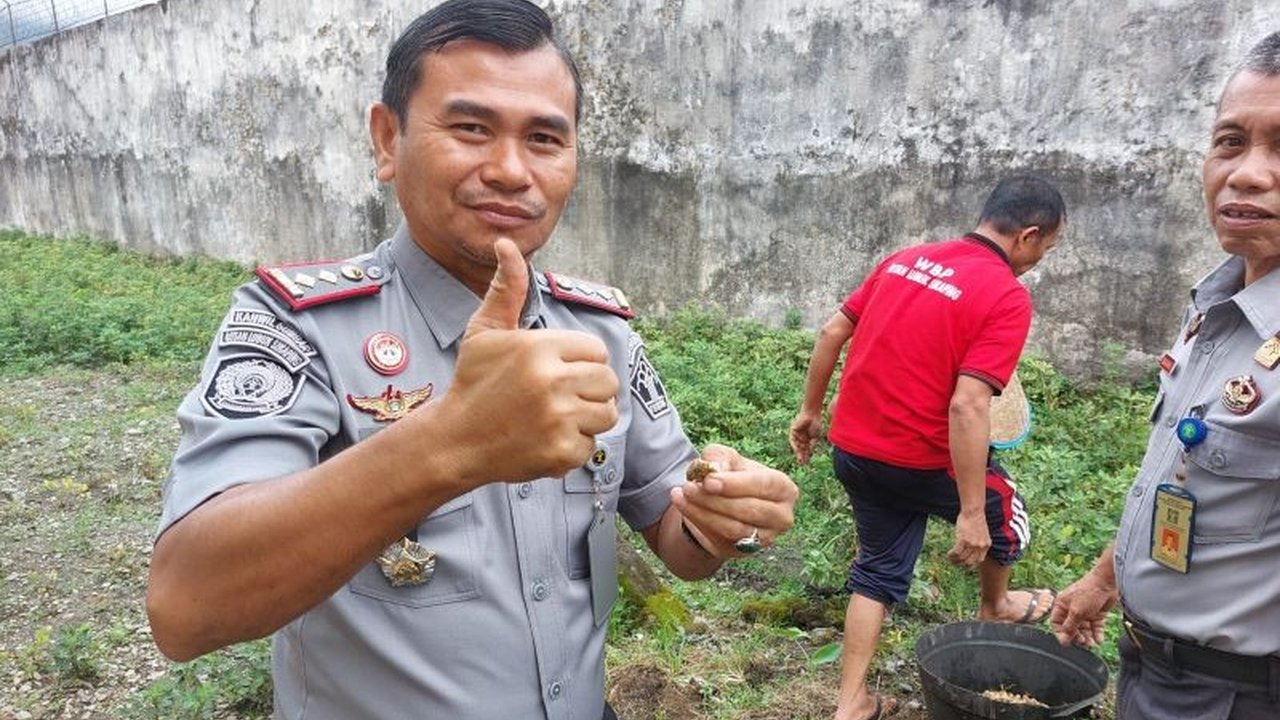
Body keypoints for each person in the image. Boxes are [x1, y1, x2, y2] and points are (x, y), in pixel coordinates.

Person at [144, 2, 799, 718]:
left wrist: (726, 515)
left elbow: (678, 541)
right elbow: (186, 608)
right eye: (471, 128)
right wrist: (448, 443)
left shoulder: (601, 331)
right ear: (388, 139)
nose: (512, 170)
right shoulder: (296, 328)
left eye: (545, 138)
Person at [1050, 32, 1280, 720]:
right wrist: (1103, 579)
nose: (1248, 173)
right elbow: (1176, 473)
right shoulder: (1216, 307)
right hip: (1154, 669)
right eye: (1230, 142)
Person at [789, 174, 1066, 720]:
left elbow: (829, 333)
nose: (1038, 261)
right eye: (1046, 250)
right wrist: (969, 513)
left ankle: (851, 704)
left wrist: (809, 413)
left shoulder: (904, 259)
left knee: (877, 571)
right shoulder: (1006, 295)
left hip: (856, 453)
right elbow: (968, 406)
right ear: (1028, 236)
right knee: (1006, 512)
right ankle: (997, 603)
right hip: (922, 462)